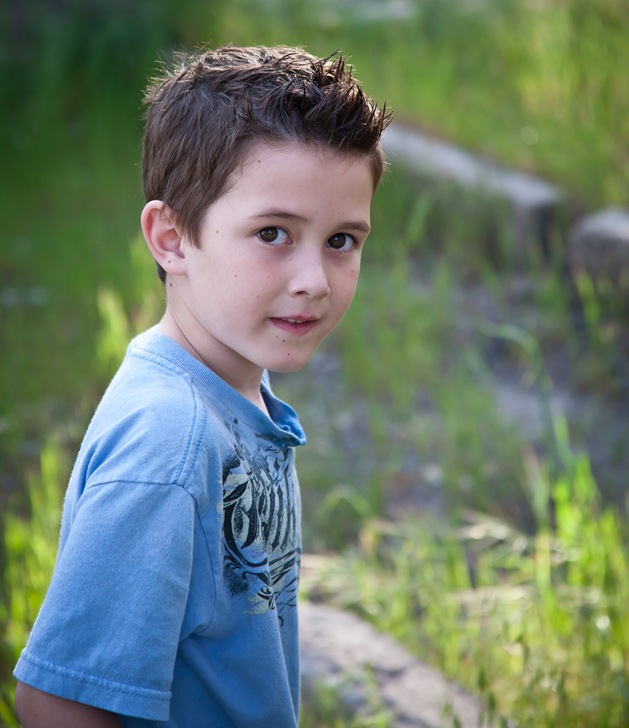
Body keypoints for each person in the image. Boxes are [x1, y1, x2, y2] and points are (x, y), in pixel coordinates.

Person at [13, 44, 391, 727]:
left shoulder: (229, 389)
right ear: (171, 238)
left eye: (342, 241)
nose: (314, 280)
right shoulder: (170, 441)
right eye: (273, 233)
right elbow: (56, 703)